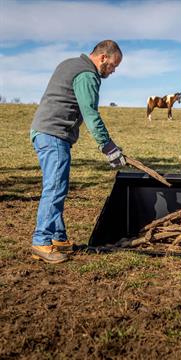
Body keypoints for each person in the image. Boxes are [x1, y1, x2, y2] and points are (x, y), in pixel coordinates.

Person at [30, 40, 125, 263]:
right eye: (113, 65)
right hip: (54, 134)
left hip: (43, 132)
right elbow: (90, 113)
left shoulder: (69, 63)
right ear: (103, 57)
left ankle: (58, 238)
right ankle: (41, 242)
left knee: (56, 185)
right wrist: (108, 146)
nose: (113, 70)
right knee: (55, 187)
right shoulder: (87, 74)